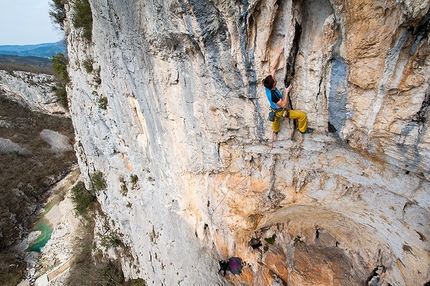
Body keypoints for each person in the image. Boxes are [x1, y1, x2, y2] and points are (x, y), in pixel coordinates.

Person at [263, 47, 313, 137]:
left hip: (274, 109)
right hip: (280, 111)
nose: (274, 78)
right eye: (274, 79)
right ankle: (302, 130)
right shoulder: (273, 95)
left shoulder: (267, 85)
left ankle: (275, 130)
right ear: (273, 84)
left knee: (275, 119)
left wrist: (279, 53)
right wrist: (286, 92)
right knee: (302, 115)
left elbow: (273, 68)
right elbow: (283, 105)